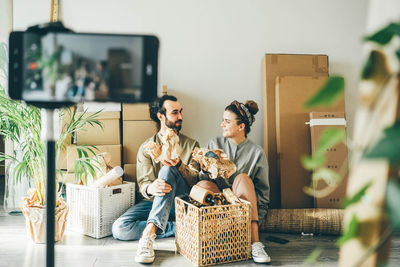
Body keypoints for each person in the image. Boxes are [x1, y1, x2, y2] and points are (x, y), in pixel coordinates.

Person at [112, 95, 200, 263]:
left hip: (181, 203)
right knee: (119, 228)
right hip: (154, 203)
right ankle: (182, 228)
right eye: (175, 112)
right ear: (161, 116)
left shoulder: (192, 145)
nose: (180, 116)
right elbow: (144, 184)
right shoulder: (147, 148)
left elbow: (195, 182)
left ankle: (149, 234)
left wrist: (179, 165)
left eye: (180, 112)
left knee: (167, 169)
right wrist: (151, 188)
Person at [196, 100, 271, 263]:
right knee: (202, 185)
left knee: (243, 178)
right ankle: (215, 238)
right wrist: (204, 170)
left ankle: (255, 243)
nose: (222, 124)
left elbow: (263, 196)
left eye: (227, 121)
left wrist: (254, 218)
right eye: (223, 120)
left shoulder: (257, 153)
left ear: (241, 126)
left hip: (243, 210)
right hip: (217, 207)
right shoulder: (213, 144)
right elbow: (201, 185)